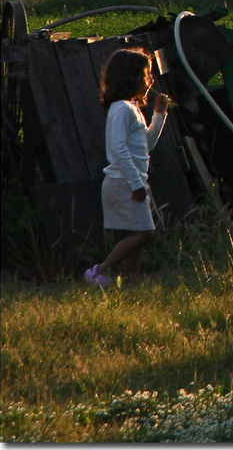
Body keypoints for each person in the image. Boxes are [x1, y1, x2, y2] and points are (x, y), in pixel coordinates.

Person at [84, 48, 169, 286]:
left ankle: (130, 282)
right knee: (144, 234)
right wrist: (136, 183)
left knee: (137, 235)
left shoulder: (132, 109)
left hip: (132, 180)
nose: (150, 80)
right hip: (124, 182)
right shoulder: (121, 109)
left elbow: (146, 145)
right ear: (130, 77)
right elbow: (118, 148)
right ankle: (99, 271)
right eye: (146, 75)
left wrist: (159, 116)